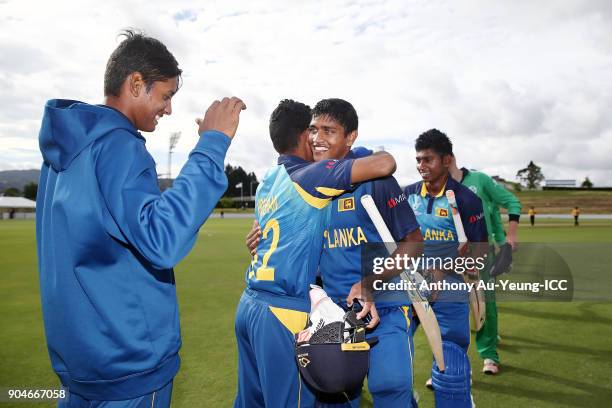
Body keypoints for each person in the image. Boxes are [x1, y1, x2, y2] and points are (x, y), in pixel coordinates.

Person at [36, 30, 245, 407]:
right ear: (135, 84)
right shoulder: (118, 145)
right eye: (165, 96)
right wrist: (212, 144)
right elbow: (162, 238)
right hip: (126, 364)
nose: (168, 109)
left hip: (82, 362)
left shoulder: (69, 149)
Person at [234, 99, 397, 408]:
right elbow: (385, 164)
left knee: (250, 401)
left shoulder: (267, 181)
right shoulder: (311, 176)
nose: (317, 139)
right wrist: (358, 153)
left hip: (249, 305)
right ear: (302, 137)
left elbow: (266, 237)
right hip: (284, 310)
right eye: (312, 131)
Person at [309, 99, 423, 407]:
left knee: (390, 391)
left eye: (329, 131)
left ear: (350, 137)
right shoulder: (308, 184)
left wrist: (371, 282)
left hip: (385, 308)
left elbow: (413, 240)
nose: (318, 138)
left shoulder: (376, 180)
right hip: (334, 316)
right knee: (336, 397)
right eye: (314, 129)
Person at [404, 129, 487, 405]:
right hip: (410, 285)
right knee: (395, 353)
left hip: (450, 287)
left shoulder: (466, 200)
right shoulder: (407, 195)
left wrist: (443, 268)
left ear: (447, 160)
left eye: (428, 160)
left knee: (450, 363)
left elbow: (478, 254)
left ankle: (459, 397)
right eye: (418, 160)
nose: (421, 166)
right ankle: (405, 396)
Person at [449, 158, 522, 375]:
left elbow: (505, 208)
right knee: (451, 307)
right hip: (449, 255)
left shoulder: (479, 180)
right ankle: (448, 361)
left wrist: (506, 242)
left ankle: (489, 354)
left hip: (481, 252)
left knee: (485, 303)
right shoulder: (435, 187)